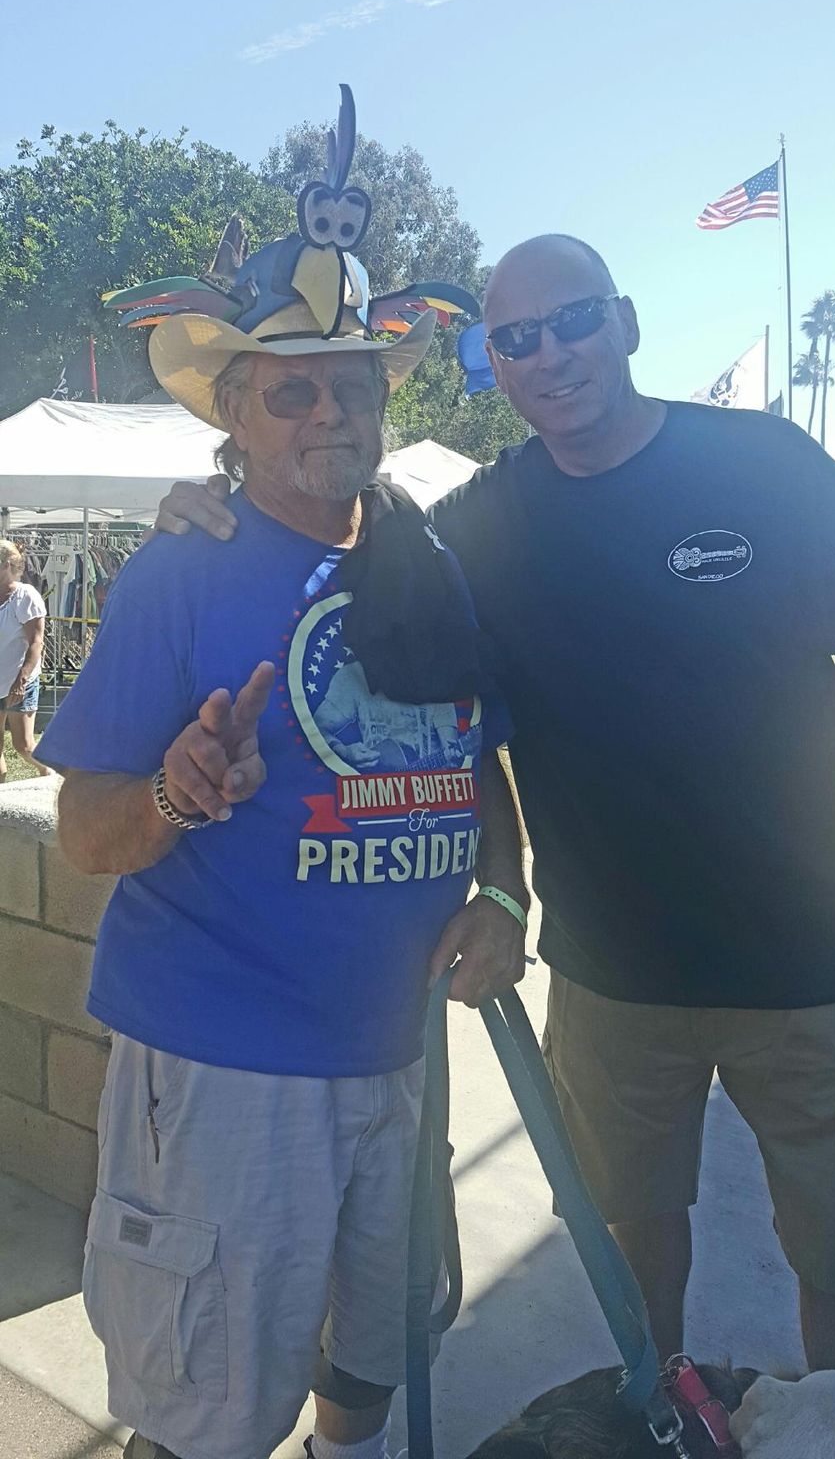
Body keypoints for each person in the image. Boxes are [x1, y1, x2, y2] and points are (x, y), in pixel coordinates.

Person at [160, 232, 835, 1398]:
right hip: (614, 976)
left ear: (626, 322)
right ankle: (661, 1424)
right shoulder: (479, 524)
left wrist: (783, 764)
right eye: (515, 339)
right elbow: (349, 554)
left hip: (815, 966)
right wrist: (213, 504)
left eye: (574, 321)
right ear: (492, 363)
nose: (549, 354)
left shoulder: (767, 463)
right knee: (633, 1252)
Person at [36, 96, 528, 1459]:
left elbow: (481, 762)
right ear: (236, 415)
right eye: (292, 387)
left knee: (382, 1336)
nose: (330, 408)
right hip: (224, 1074)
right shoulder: (179, 571)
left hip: (398, 1053)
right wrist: (176, 794)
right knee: (203, 1401)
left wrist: (504, 892)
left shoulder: (429, 563)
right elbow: (82, 832)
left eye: (352, 382)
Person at [0, 538, 52, 780]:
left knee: (24, 746)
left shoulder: (25, 596)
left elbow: (36, 642)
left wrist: (21, 680)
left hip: (18, 681)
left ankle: (49, 772)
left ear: (7, 565)